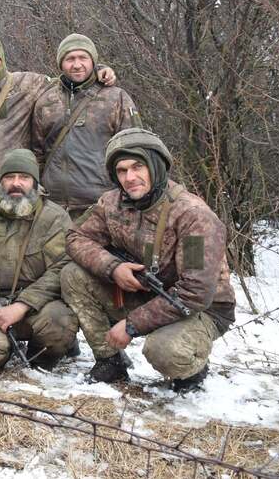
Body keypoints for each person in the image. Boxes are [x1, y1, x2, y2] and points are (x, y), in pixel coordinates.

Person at [62, 128, 236, 390]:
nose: (130, 177)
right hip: (144, 293)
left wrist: (132, 325)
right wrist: (113, 268)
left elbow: (196, 292)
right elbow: (75, 237)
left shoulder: (193, 216)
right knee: (73, 276)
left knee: (164, 351)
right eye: (121, 171)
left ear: (155, 166)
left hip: (199, 308)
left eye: (138, 167)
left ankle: (190, 371)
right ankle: (111, 362)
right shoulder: (111, 203)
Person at [0, 33, 116, 201]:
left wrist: (98, 69)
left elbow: (70, 81)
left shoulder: (27, 84)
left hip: (15, 192)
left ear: (1, 58)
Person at [0, 150, 78, 370]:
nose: (16, 184)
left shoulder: (54, 218)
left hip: (36, 305)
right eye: (9, 177)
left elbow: (62, 267)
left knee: (60, 325)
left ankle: (39, 360)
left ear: (34, 183)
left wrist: (23, 305)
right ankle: (1, 347)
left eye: (24, 178)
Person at [32, 34, 140, 219]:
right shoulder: (46, 101)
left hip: (101, 205)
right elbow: (37, 153)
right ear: (61, 63)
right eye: (70, 59)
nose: (76, 64)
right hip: (53, 207)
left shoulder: (116, 98)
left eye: (83, 58)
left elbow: (134, 151)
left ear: (93, 61)